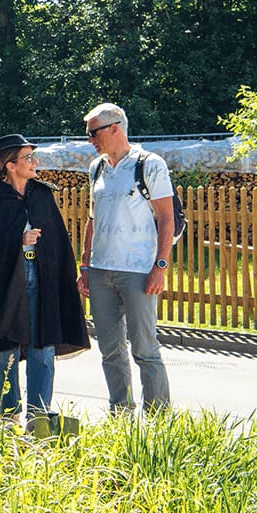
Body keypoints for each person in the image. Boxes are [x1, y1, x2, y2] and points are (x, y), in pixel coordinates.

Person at [0, 134, 90, 420]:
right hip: (5, 281)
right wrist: (18, 240)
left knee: (42, 345)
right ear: (10, 165)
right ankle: (8, 415)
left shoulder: (42, 194)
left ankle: (39, 415)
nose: (35, 162)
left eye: (33, 156)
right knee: (6, 347)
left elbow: (57, 240)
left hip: (42, 276)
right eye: (28, 158)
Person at [77, 103, 173, 413]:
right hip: (102, 271)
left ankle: (159, 420)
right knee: (110, 350)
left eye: (93, 133)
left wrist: (160, 266)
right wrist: (85, 264)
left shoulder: (150, 164)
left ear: (115, 128)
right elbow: (93, 218)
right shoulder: (97, 168)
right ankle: (121, 414)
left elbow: (166, 219)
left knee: (145, 349)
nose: (90, 140)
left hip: (138, 271)